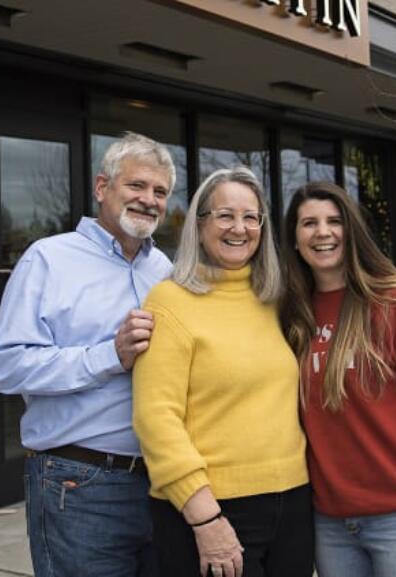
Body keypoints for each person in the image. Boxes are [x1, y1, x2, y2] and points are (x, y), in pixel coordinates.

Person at [0, 131, 176, 577]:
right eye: (136, 185)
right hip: (79, 483)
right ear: (101, 188)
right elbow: (7, 366)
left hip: (161, 482)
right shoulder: (48, 260)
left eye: (160, 191)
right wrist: (110, 354)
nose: (148, 199)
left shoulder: (164, 270)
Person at [132, 167, 312, 577]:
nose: (239, 228)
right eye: (225, 215)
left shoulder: (274, 296)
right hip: (213, 508)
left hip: (293, 502)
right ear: (199, 224)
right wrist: (205, 518)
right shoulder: (169, 300)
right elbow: (156, 419)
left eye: (251, 217)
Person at [280, 181, 396, 577]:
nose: (322, 232)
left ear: (352, 231)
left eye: (334, 221)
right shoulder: (294, 315)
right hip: (330, 524)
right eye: (308, 223)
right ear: (294, 239)